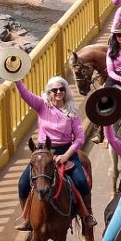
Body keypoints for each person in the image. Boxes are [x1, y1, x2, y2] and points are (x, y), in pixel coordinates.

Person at [14, 76, 95, 231]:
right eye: (54, 90)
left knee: (81, 181)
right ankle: (26, 219)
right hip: (43, 152)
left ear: (65, 91)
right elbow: (25, 95)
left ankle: (87, 215)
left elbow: (79, 138)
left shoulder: (72, 111)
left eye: (61, 89)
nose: (58, 92)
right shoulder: (42, 105)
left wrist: (66, 155)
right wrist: (16, 80)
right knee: (23, 183)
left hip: (66, 150)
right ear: (49, 92)